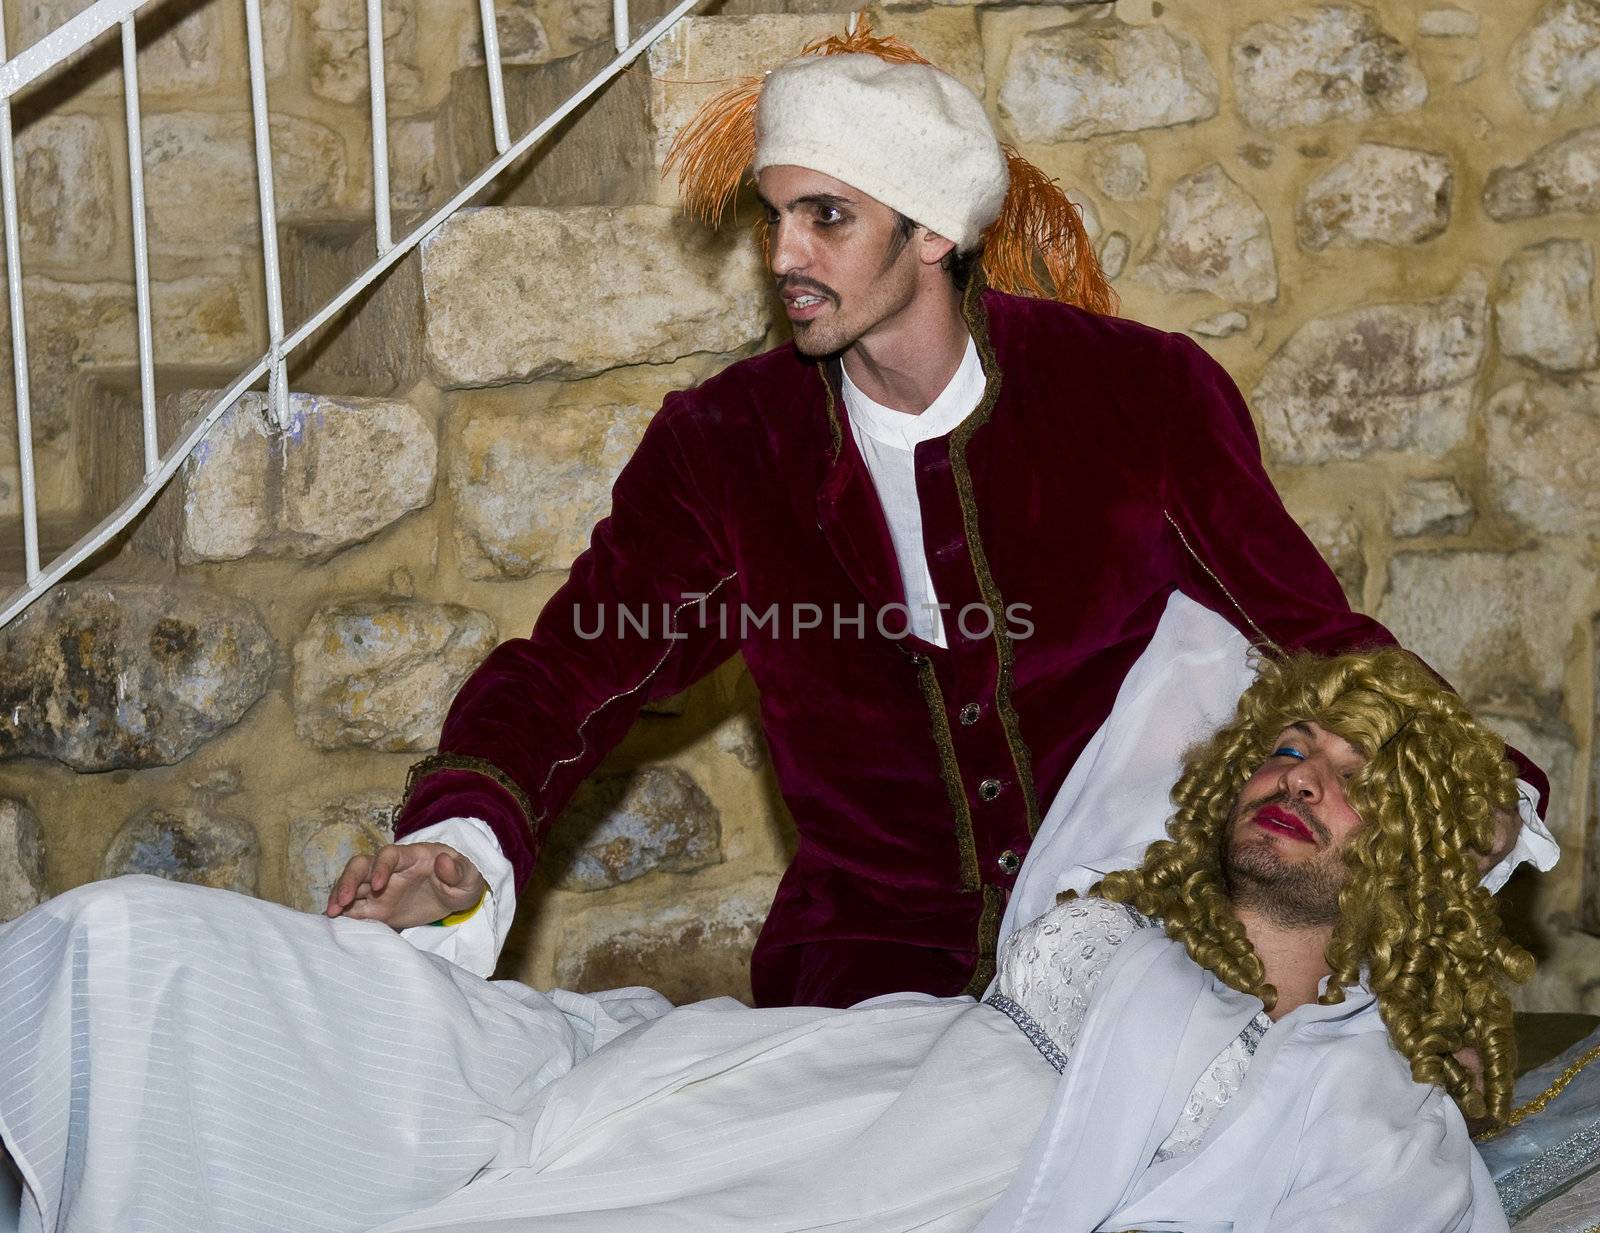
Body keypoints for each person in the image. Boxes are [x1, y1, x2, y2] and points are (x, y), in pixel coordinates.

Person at [329, 20, 1554, 1007]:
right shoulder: (725, 445)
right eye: (775, 215)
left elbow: (1310, 633)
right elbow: (570, 672)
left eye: (827, 217)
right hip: (856, 981)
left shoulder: (1138, 396)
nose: (783, 257)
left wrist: (1469, 784)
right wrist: (462, 837)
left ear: (934, 234)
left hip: (1126, 952)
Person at [0, 649, 1529, 1231]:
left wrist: (1489, 803)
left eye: (1350, 783)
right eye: (1287, 751)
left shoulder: (1362, 1111)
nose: (1298, 783)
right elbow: (570, 662)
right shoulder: (1121, 918)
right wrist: (464, 860)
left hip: (892, 1201)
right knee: (146, 959)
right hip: (768, 1078)